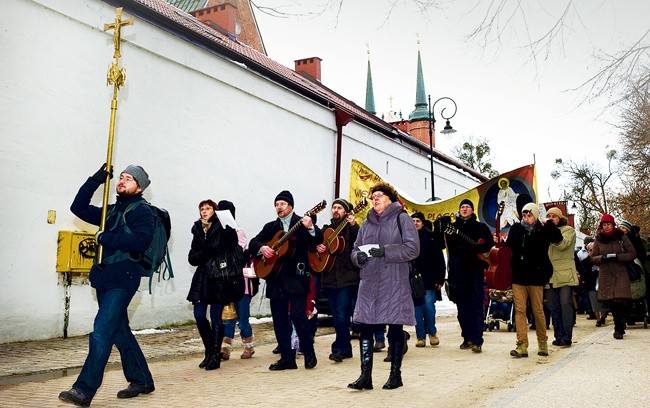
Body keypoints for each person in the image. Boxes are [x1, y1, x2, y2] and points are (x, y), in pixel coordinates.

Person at [59, 164, 156, 406]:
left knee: (102, 330)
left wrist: (104, 237)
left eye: (129, 179)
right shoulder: (110, 211)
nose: (122, 181)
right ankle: (142, 379)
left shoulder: (144, 212)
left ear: (140, 187)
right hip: (105, 278)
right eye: (121, 177)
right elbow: (77, 207)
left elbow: (140, 241)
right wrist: (96, 180)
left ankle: (84, 389)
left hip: (124, 279)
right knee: (119, 330)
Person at [348, 182, 419, 390]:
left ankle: (395, 375)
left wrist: (385, 251)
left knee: (395, 327)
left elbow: (413, 249)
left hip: (393, 282)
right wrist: (358, 257)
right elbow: (354, 250)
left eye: (379, 195)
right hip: (369, 283)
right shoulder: (366, 223)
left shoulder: (402, 218)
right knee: (365, 327)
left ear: (390, 198)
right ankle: (365, 377)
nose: (375, 198)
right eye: (373, 196)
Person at [249, 190, 323, 370]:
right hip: (276, 280)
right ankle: (287, 358)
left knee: (298, 316)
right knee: (280, 319)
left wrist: (311, 226)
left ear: (290, 206)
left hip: (296, 278)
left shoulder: (302, 223)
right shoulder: (271, 227)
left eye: (282, 204)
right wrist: (262, 249)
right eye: (276, 204)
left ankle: (309, 351)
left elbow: (318, 240)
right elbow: (253, 243)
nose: (278, 207)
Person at [187, 199, 244, 370]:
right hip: (202, 277)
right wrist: (205, 251)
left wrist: (204, 251)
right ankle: (209, 351)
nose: (204, 211)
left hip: (218, 277)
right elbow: (192, 258)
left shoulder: (223, 228)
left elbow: (224, 246)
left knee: (216, 317)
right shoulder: (197, 229)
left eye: (208, 208)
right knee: (199, 315)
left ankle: (215, 357)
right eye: (202, 209)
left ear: (215, 211)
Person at [505, 203, 562, 358]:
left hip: (536, 276)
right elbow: (510, 244)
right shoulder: (517, 228)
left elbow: (558, 238)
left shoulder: (542, 230)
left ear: (536, 215)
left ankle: (542, 342)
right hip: (519, 275)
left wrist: (548, 224)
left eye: (530, 215)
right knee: (520, 310)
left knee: (537, 309)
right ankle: (522, 344)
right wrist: (519, 231)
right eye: (524, 215)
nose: (527, 218)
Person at [445, 198, 494, 353]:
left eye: (467, 207)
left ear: (472, 210)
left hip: (475, 271)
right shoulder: (453, 228)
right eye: (462, 207)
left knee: (476, 305)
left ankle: (477, 340)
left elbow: (490, 245)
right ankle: (467, 337)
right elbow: (449, 248)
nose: (465, 209)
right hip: (459, 272)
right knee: (462, 307)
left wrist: (478, 248)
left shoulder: (481, 227)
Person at [316, 198, 360, 363]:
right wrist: (318, 247)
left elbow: (361, 241)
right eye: (334, 207)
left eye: (339, 208)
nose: (335, 210)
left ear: (346, 211)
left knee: (341, 314)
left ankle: (339, 349)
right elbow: (315, 244)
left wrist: (354, 224)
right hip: (329, 278)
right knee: (336, 316)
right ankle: (346, 348)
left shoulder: (351, 228)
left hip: (347, 278)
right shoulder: (326, 230)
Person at [219, 200, 259, 360]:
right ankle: (225, 349)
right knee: (228, 319)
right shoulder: (217, 234)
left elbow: (237, 253)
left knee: (242, 319)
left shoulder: (238, 232)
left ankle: (249, 347)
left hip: (242, 284)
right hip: (226, 283)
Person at [590, 214, 636, 339]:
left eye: (608, 224)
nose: (606, 227)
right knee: (612, 302)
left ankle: (618, 328)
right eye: (604, 224)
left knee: (619, 301)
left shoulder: (621, 237)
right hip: (606, 274)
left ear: (613, 225)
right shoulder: (598, 239)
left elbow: (632, 253)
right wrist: (602, 258)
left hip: (620, 272)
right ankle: (620, 324)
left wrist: (618, 257)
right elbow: (593, 258)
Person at [545, 207, 579, 347]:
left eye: (554, 216)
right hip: (550, 274)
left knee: (565, 303)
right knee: (553, 306)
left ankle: (567, 336)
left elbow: (562, 245)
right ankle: (558, 335)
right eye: (549, 216)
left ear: (560, 218)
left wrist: (550, 230)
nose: (551, 218)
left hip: (565, 273)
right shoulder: (545, 231)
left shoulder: (568, 230)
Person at [411, 211, 445, 348]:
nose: (415, 224)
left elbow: (439, 260)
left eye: (417, 221)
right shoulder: (407, 238)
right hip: (413, 279)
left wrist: (440, 278)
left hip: (430, 278)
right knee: (417, 308)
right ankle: (420, 336)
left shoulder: (431, 237)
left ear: (422, 222)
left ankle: (432, 332)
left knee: (429, 305)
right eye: (412, 221)